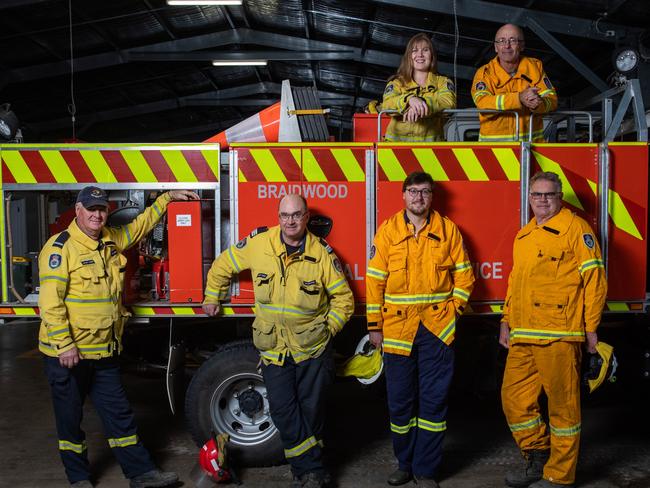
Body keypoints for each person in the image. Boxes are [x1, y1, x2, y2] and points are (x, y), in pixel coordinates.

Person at [38, 186, 199, 488]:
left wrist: (165, 199)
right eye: (92, 209)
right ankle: (79, 479)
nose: (98, 215)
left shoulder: (111, 240)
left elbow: (139, 227)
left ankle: (141, 474)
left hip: (103, 353)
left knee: (120, 416)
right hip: (69, 356)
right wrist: (64, 345)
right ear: (79, 212)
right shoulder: (59, 249)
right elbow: (50, 303)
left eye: (102, 209)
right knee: (70, 421)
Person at [202, 194, 354, 488]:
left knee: (312, 413)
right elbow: (223, 264)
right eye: (285, 215)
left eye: (297, 215)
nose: (290, 221)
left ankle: (303, 473)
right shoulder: (260, 245)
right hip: (274, 350)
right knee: (284, 411)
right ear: (278, 217)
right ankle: (315, 469)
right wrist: (212, 296)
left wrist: (327, 330)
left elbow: (344, 301)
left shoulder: (322, 253)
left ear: (307, 217)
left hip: (312, 349)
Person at [366, 172, 475, 488]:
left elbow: (465, 278)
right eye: (413, 191)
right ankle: (405, 463)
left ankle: (425, 470)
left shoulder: (448, 230)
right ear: (403, 196)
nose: (419, 197)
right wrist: (375, 327)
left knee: (433, 403)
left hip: (437, 330)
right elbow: (375, 283)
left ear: (432, 197)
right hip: (398, 330)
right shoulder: (387, 232)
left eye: (425, 191)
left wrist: (452, 311)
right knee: (400, 402)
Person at [499, 172, 607, 488]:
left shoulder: (576, 229)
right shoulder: (525, 234)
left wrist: (591, 329)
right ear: (529, 197)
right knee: (514, 400)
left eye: (549, 194)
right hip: (523, 335)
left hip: (560, 334)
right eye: (537, 195)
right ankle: (536, 457)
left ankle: (559, 476)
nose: (542, 200)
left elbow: (595, 282)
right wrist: (506, 320)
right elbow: (515, 282)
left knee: (563, 409)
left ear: (560, 197)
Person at [472, 24, 558, 142]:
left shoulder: (535, 68)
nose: (507, 46)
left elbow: (552, 100)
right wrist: (519, 98)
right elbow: (482, 104)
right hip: (495, 153)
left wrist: (538, 104)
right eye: (502, 41)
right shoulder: (484, 74)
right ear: (496, 47)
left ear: (522, 45)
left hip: (531, 151)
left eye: (513, 40)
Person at [381, 33, 456, 142]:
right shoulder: (397, 82)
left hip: (431, 151)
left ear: (432, 56)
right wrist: (409, 101)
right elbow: (386, 104)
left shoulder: (443, 82)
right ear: (409, 57)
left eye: (425, 50)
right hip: (396, 151)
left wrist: (422, 103)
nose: (420, 54)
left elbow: (448, 103)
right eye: (414, 50)